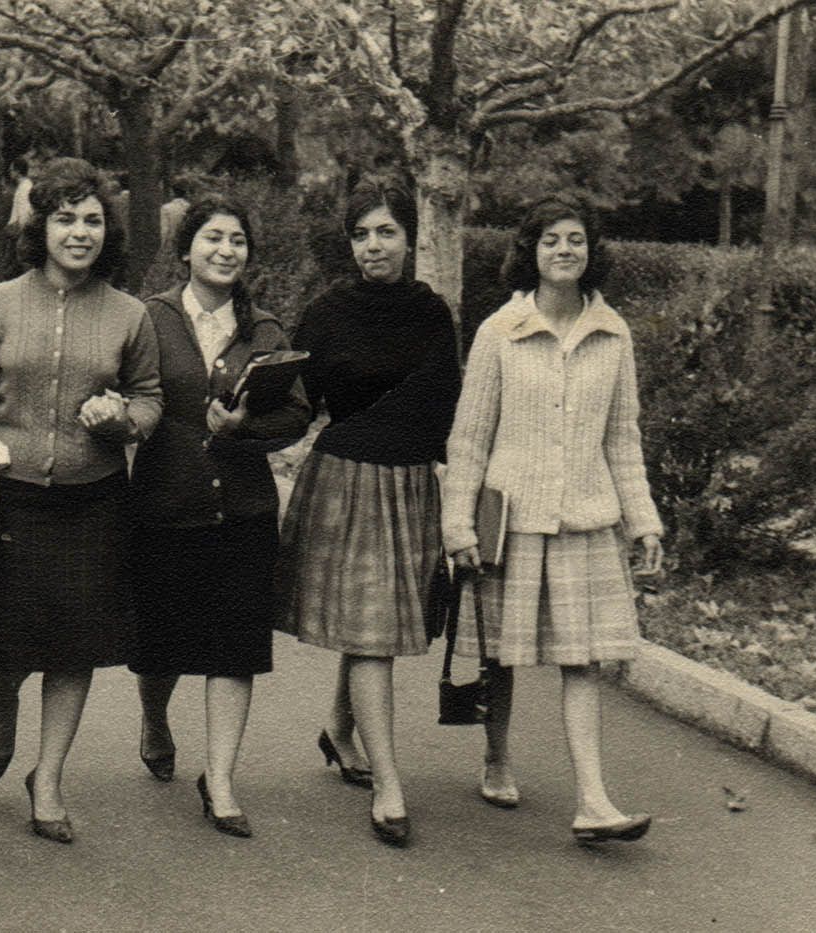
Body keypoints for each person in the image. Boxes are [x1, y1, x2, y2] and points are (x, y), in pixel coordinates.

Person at [441, 194, 664, 844]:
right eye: (550, 241)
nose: (563, 250)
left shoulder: (612, 333)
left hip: (584, 523)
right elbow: (469, 438)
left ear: (590, 251)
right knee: (501, 657)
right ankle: (496, 755)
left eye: (574, 240)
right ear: (530, 252)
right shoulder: (497, 332)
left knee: (582, 660)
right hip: (510, 522)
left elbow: (622, 439)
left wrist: (643, 521)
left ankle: (592, 800)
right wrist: (457, 523)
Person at [0, 157, 162, 844]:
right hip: (10, 497)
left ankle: (46, 778)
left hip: (92, 501)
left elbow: (149, 399)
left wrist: (124, 418)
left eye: (93, 220)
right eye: (66, 217)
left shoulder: (129, 314)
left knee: (74, 649)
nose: (80, 232)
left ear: (109, 231)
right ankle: (2, 706)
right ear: (40, 225)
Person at [276, 177, 460, 848]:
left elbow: (441, 400)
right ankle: (387, 785)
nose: (373, 246)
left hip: (408, 481)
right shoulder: (327, 312)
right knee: (373, 627)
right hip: (346, 479)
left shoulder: (432, 313)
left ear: (410, 238)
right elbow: (300, 399)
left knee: (370, 622)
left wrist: (383, 419)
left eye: (385, 232)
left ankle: (339, 725)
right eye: (361, 234)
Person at [129, 194, 310, 838]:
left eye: (237, 240)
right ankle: (154, 717)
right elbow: (124, 391)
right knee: (161, 643)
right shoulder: (149, 320)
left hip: (245, 510)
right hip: (164, 506)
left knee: (234, 647)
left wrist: (247, 427)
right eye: (213, 237)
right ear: (185, 249)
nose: (226, 250)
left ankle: (222, 780)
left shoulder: (264, 330)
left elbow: (296, 412)